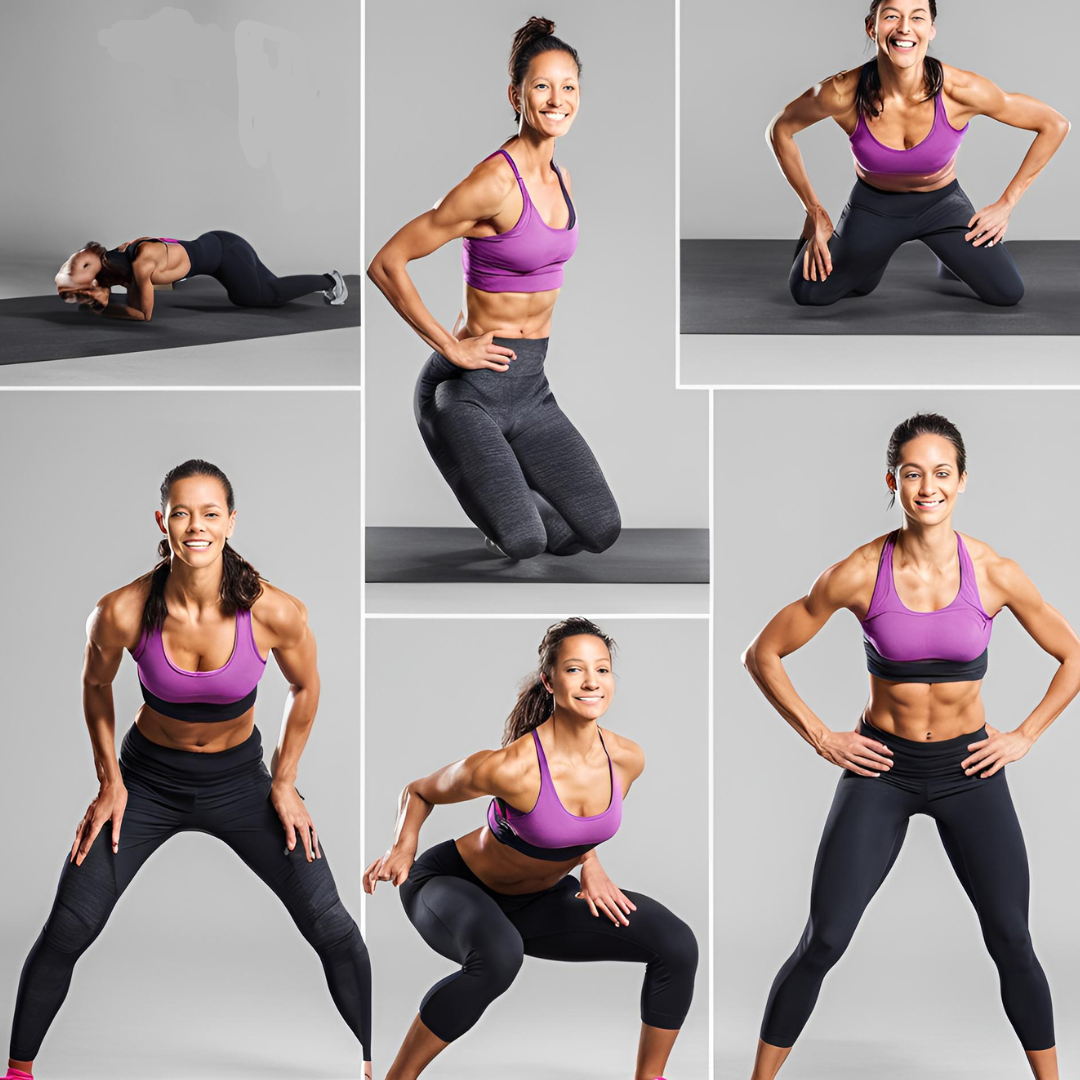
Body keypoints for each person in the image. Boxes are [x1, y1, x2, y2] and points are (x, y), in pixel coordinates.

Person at [5, 460, 371, 1080]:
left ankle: (376, 1064)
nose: (195, 525)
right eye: (182, 512)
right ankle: (17, 1070)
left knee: (333, 925)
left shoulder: (275, 612)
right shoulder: (120, 611)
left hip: (242, 784)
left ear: (231, 522)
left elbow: (305, 688)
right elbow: (96, 686)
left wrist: (284, 781)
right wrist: (109, 782)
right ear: (162, 521)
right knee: (70, 924)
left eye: (209, 513)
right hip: (147, 783)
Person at [741, 413, 1080, 1080]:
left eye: (942, 473)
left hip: (970, 770)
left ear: (962, 482)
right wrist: (820, 736)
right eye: (914, 473)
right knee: (825, 939)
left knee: (1012, 937)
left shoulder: (996, 572)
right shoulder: (861, 571)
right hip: (884, 771)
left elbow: (1073, 656)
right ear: (892, 481)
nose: (928, 486)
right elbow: (763, 654)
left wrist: (1023, 736)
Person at [364, 618, 698, 1080]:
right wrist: (403, 846)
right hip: (449, 885)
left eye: (602, 670)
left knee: (677, 945)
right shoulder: (512, 767)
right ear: (550, 680)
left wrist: (591, 863)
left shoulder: (626, 759)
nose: (591, 682)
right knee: (499, 957)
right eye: (575, 669)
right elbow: (420, 790)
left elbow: (579, 829)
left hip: (536, 902)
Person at [367, 17, 621, 560]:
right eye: (543, 86)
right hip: (465, 390)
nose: (558, 99)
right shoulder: (494, 183)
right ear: (517, 94)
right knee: (525, 542)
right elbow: (387, 263)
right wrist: (450, 346)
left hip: (530, 389)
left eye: (569, 86)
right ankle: (498, 493)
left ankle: (505, 487)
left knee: (599, 530)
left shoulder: (562, 180)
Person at [768, 0, 1070, 306]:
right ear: (872, 27)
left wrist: (1007, 204)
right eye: (891, 16)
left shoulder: (962, 90)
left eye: (917, 17)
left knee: (1007, 292)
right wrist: (814, 210)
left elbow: (1054, 124)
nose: (904, 27)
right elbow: (779, 129)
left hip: (942, 205)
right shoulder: (842, 93)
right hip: (874, 207)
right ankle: (865, 257)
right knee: (808, 293)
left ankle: (949, 258)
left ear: (931, 29)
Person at [54, 234, 348, 319]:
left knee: (261, 296)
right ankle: (325, 280)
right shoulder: (125, 253)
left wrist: (106, 309)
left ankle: (330, 281)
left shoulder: (141, 264)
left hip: (227, 253)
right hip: (218, 248)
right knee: (265, 288)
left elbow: (143, 314)